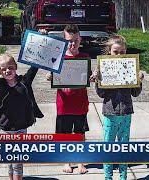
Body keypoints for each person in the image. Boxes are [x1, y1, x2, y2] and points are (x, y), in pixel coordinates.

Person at [0, 36, 44, 180]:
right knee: (10, 161)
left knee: (17, 161)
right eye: (3, 69)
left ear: (16, 67)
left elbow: (35, 64)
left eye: (10, 68)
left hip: (21, 128)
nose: (7, 71)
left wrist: (42, 40)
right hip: (4, 130)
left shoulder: (25, 82)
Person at [91, 35, 144, 180]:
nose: (120, 55)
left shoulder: (131, 66)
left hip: (126, 112)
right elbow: (101, 94)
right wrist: (98, 80)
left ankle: (123, 177)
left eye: (122, 52)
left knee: (124, 148)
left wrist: (139, 80)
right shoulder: (103, 68)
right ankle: (108, 177)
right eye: (116, 52)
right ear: (109, 52)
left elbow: (135, 93)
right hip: (110, 113)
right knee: (108, 147)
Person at [45, 24, 91, 174]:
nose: (73, 44)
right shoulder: (58, 59)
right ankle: (66, 161)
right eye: (69, 40)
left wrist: (94, 76)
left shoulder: (85, 58)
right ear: (64, 41)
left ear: (80, 39)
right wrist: (50, 76)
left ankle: (80, 162)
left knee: (80, 134)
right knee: (64, 135)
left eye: (75, 40)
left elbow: (88, 78)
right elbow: (53, 77)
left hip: (80, 104)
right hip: (63, 105)